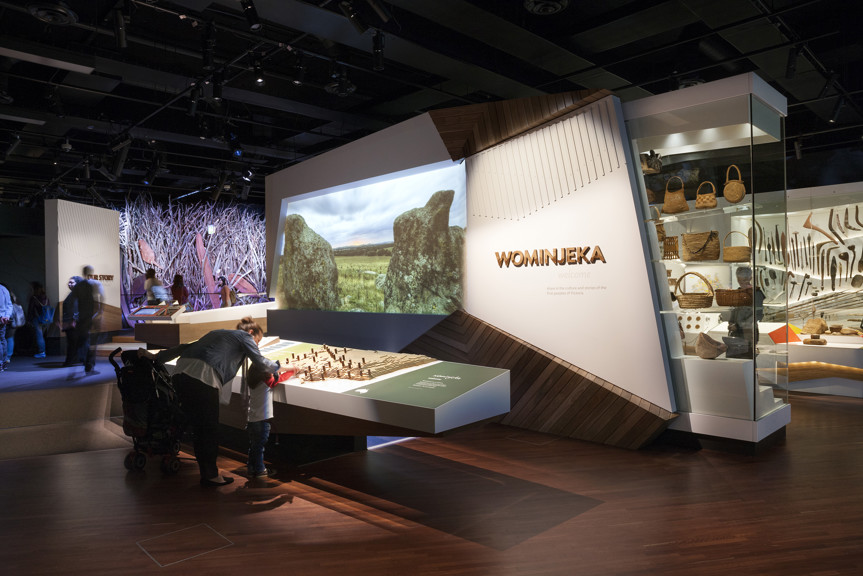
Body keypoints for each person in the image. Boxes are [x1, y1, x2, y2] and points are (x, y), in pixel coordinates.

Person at [139, 317, 291, 486]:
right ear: (251, 333)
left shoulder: (218, 334)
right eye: (258, 341)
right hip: (203, 378)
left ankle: (208, 473)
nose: (256, 345)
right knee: (209, 429)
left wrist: (156, 357)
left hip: (181, 375)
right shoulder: (245, 337)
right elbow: (261, 363)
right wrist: (280, 367)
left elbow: (185, 347)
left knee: (199, 428)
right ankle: (210, 475)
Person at [245, 363, 295, 479]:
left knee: (254, 446)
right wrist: (293, 371)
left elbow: (275, 374)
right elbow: (279, 378)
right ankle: (260, 469)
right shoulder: (267, 382)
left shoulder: (254, 381)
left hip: (252, 419)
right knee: (259, 447)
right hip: (262, 420)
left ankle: (251, 468)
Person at [66, 266, 104, 372]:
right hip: (94, 316)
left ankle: (87, 361)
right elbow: (100, 298)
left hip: (83, 317)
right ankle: (89, 362)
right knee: (92, 341)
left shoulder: (80, 286)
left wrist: (73, 316)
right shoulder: (95, 284)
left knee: (84, 339)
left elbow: (72, 301)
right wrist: (100, 312)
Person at [722, 266, 765, 359]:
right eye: (740, 280)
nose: (742, 282)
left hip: (748, 333)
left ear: (750, 278)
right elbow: (734, 311)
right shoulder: (737, 292)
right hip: (735, 333)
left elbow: (757, 315)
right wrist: (731, 323)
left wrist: (737, 326)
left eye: (744, 279)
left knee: (748, 362)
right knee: (734, 362)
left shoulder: (756, 293)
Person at [61, 276, 83, 366]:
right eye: (69, 282)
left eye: (72, 282)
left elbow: (77, 308)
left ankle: (69, 361)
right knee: (74, 342)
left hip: (73, 323)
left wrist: (74, 320)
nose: (69, 284)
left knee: (72, 343)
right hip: (70, 322)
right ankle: (78, 359)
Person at [27, 281, 50, 358]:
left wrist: (28, 320)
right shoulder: (46, 297)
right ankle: (43, 351)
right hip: (46, 319)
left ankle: (41, 352)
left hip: (37, 319)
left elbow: (30, 310)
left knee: (39, 336)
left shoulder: (34, 298)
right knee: (42, 336)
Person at [0, 282, 10, 372]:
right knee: (2, 339)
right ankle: (3, 362)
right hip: (4, 319)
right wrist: (6, 316)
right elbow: (9, 305)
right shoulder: (4, 289)